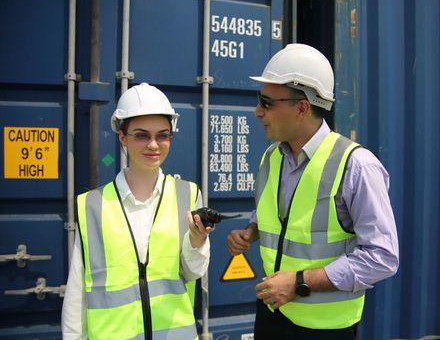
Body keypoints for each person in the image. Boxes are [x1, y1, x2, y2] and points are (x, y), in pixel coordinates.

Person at [227, 44, 399, 339]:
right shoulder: (272, 158)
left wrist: (298, 283)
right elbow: (281, 216)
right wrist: (251, 231)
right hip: (272, 313)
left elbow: (382, 257)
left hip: (325, 329)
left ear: (302, 107)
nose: (257, 111)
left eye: (266, 102)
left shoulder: (356, 165)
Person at [62, 83, 213, 340]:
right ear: (123, 137)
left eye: (162, 135)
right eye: (142, 135)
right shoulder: (92, 205)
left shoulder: (187, 194)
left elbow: (192, 273)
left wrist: (197, 243)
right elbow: (77, 293)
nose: (153, 145)